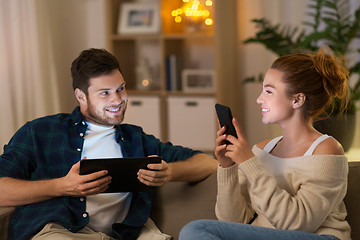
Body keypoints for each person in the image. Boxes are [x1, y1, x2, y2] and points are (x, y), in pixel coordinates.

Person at [0, 48, 217, 240]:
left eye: (120, 89)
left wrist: (170, 172)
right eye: (105, 93)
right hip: (60, 232)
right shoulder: (41, 132)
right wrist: (62, 186)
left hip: (124, 234)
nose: (117, 100)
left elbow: (207, 163)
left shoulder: (137, 139)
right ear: (81, 96)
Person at [179, 47, 351, 240]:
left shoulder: (327, 149)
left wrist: (249, 163)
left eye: (269, 91)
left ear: (297, 99)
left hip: (317, 237)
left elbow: (297, 224)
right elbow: (233, 221)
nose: (259, 99)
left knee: (196, 230)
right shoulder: (262, 150)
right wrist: (227, 167)